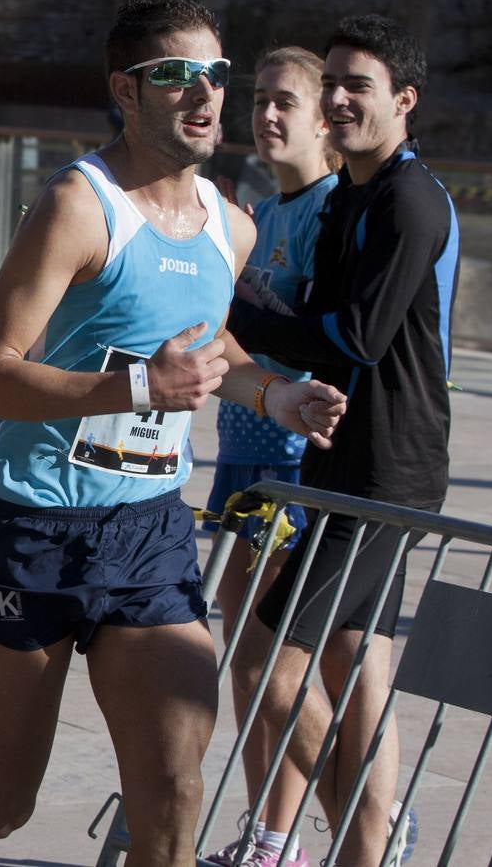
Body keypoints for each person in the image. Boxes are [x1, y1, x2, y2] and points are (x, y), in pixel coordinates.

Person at [0, 0, 347, 867]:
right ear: (125, 90)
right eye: (176, 76)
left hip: (150, 535)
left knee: (174, 783)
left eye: (215, 74)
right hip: (31, 532)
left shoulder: (229, 226)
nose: (204, 95)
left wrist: (274, 395)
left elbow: (215, 348)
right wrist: (136, 385)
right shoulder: (80, 207)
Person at [226, 14, 456, 866]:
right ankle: (370, 845)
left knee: (277, 677)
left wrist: (232, 304)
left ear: (404, 100)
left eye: (359, 85)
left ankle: (376, 834)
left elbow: (355, 335)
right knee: (354, 667)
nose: (340, 99)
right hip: (342, 462)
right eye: (334, 84)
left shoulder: (409, 199)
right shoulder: (354, 195)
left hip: (386, 477)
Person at [202, 45, 340, 867]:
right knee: (247, 662)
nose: (266, 116)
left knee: (273, 661)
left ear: (325, 118)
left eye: (286, 101)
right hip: (238, 457)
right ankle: (267, 838)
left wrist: (250, 303)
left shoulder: (335, 213)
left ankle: (366, 820)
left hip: (295, 457)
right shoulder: (257, 210)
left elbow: (322, 333)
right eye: (257, 100)